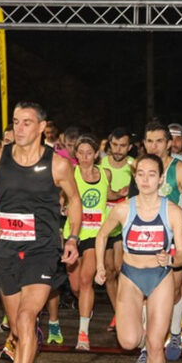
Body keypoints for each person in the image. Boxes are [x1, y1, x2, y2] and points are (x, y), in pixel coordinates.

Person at [0, 101, 82, 363]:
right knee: (15, 325)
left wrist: (73, 238)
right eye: (15, 122)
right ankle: (27, 334)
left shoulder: (58, 165)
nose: (18, 128)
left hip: (42, 249)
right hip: (6, 249)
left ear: (41, 128)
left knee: (25, 316)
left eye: (25, 123)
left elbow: (75, 201)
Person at [95, 154, 182, 363]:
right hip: (131, 277)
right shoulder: (124, 209)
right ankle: (143, 325)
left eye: (151, 175)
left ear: (160, 179)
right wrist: (101, 266)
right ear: (135, 178)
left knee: (156, 343)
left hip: (160, 278)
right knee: (128, 341)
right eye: (141, 174)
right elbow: (102, 235)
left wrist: (170, 258)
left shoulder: (172, 211)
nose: (145, 179)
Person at [141, 120, 182, 362]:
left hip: (177, 235)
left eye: (159, 141)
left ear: (169, 143)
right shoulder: (141, 167)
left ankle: (175, 333)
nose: (154, 146)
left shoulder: (180, 169)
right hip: (147, 236)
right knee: (147, 290)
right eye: (149, 141)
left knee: (175, 289)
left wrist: (170, 217)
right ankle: (147, 346)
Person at [64, 135, 115, 350]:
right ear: (75, 154)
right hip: (74, 234)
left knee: (86, 281)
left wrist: (120, 194)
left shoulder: (105, 174)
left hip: (97, 235)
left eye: (89, 153)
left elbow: (107, 194)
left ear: (96, 154)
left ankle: (82, 334)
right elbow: (60, 197)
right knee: (75, 286)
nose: (85, 157)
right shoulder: (70, 174)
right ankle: (86, 306)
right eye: (80, 153)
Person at [99, 128, 133, 332]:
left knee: (122, 269)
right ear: (109, 145)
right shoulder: (100, 165)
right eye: (115, 145)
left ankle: (128, 311)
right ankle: (118, 314)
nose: (118, 149)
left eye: (123, 146)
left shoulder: (134, 166)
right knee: (109, 272)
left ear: (129, 147)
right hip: (105, 225)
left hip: (126, 225)